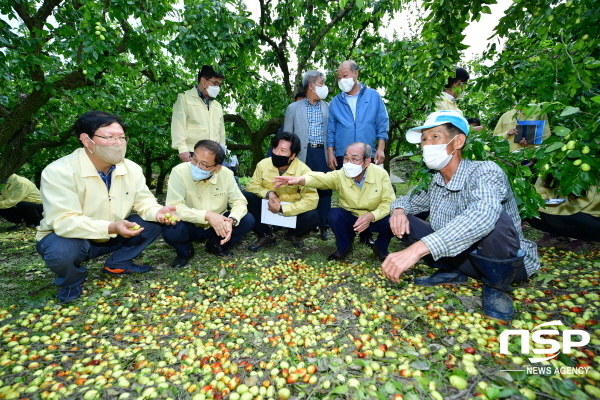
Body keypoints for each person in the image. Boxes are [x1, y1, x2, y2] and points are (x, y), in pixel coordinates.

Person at [383, 110, 539, 323]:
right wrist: (398, 211)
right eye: (424, 140)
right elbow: (405, 201)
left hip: (505, 265)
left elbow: (483, 214)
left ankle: (497, 287)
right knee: (403, 221)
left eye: (435, 137)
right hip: (465, 258)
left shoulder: (485, 171)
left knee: (495, 219)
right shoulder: (434, 180)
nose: (426, 145)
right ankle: (452, 270)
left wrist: (418, 249)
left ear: (458, 141)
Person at [36, 111, 179, 303]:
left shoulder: (132, 169)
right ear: (86, 140)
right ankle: (71, 281)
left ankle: (118, 263)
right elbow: (63, 221)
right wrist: (110, 228)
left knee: (154, 222)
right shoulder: (59, 172)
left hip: (114, 234)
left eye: (121, 137)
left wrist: (158, 211)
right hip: (76, 238)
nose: (118, 143)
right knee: (60, 250)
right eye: (109, 137)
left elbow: (144, 202)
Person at [273, 142, 395, 262]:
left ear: (367, 161)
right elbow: (322, 178)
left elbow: (388, 202)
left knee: (393, 219)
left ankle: (381, 248)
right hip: (351, 217)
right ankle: (344, 247)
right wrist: (300, 179)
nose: (348, 163)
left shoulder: (380, 174)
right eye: (346, 158)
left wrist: (371, 216)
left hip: (374, 217)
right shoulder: (341, 174)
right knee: (334, 215)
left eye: (354, 159)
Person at [162, 140, 254, 266]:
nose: (197, 166)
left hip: (217, 227)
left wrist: (232, 220)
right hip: (190, 226)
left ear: (217, 168)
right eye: (194, 160)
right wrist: (207, 215)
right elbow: (174, 206)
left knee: (247, 219)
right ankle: (185, 251)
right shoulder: (179, 172)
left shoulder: (226, 174)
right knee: (170, 227)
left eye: (204, 164)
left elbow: (239, 201)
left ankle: (215, 244)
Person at [243, 132, 319, 251]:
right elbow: (252, 186)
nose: (277, 153)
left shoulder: (304, 170)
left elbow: (311, 200)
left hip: (292, 212)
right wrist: (269, 193)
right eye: (275, 148)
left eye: (283, 151)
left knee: (312, 216)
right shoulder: (263, 165)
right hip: (268, 208)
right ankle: (266, 234)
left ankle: (293, 233)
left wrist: (282, 209)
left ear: (293, 155)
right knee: (246, 197)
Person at [283, 71, 331, 240]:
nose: (325, 86)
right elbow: (287, 136)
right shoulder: (293, 108)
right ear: (311, 86)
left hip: (322, 153)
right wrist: (288, 158)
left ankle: (324, 225)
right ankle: (299, 227)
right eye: (322, 83)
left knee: (324, 189)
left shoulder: (328, 107)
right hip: (302, 155)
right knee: (301, 189)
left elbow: (332, 133)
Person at [327, 60, 389, 170]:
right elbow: (331, 130)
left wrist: (381, 149)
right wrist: (330, 153)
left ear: (356, 73)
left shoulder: (373, 96)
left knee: (369, 185)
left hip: (367, 154)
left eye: (345, 75)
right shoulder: (335, 102)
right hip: (344, 156)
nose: (341, 80)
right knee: (345, 186)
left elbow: (382, 124)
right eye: (339, 77)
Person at [171, 65, 225, 162]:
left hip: (214, 154)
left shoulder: (217, 105)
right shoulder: (184, 98)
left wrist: (223, 151)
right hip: (192, 152)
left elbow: (221, 132)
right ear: (203, 81)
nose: (217, 87)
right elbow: (178, 125)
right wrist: (182, 149)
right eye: (215, 83)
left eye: (219, 85)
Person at [527, 178, 599, 247]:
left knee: (555, 216)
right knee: (529, 209)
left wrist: (547, 206)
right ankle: (562, 236)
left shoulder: (588, 172)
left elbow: (578, 204)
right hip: (563, 207)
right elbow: (539, 193)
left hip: (593, 216)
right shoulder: (549, 169)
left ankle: (585, 239)